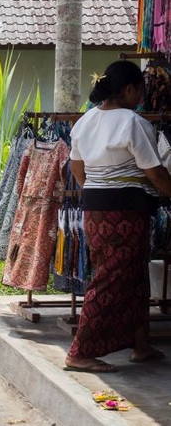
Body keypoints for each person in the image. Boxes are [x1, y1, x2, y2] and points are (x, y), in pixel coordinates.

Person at [65, 61, 171, 373]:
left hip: (96, 209)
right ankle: (79, 352)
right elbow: (155, 172)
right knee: (111, 279)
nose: (141, 96)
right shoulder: (133, 122)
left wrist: (96, 189)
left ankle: (140, 345)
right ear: (128, 90)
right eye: (140, 89)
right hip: (124, 211)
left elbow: (76, 167)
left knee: (133, 276)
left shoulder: (85, 121)